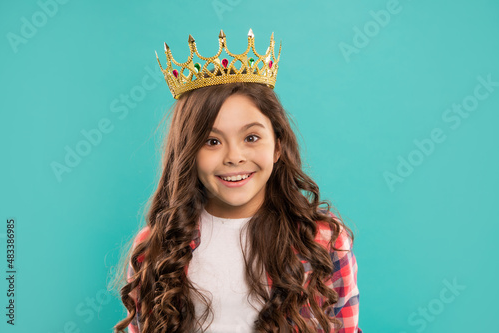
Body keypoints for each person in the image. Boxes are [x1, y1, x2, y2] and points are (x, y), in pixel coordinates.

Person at [114, 29, 362, 333]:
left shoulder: (323, 240)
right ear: (188, 152)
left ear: (278, 146)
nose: (234, 156)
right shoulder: (156, 248)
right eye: (211, 141)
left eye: (252, 137)